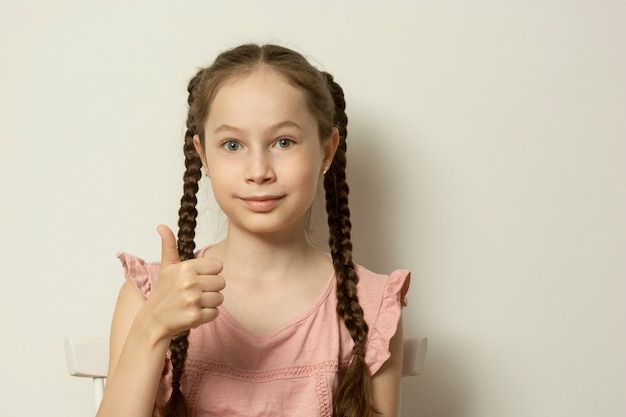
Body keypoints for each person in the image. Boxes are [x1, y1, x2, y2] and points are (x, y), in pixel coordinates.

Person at [97, 43, 410, 417]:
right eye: (233, 144)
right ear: (204, 157)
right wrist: (153, 327)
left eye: (283, 142)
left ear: (327, 151)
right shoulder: (149, 295)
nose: (258, 170)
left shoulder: (371, 306)